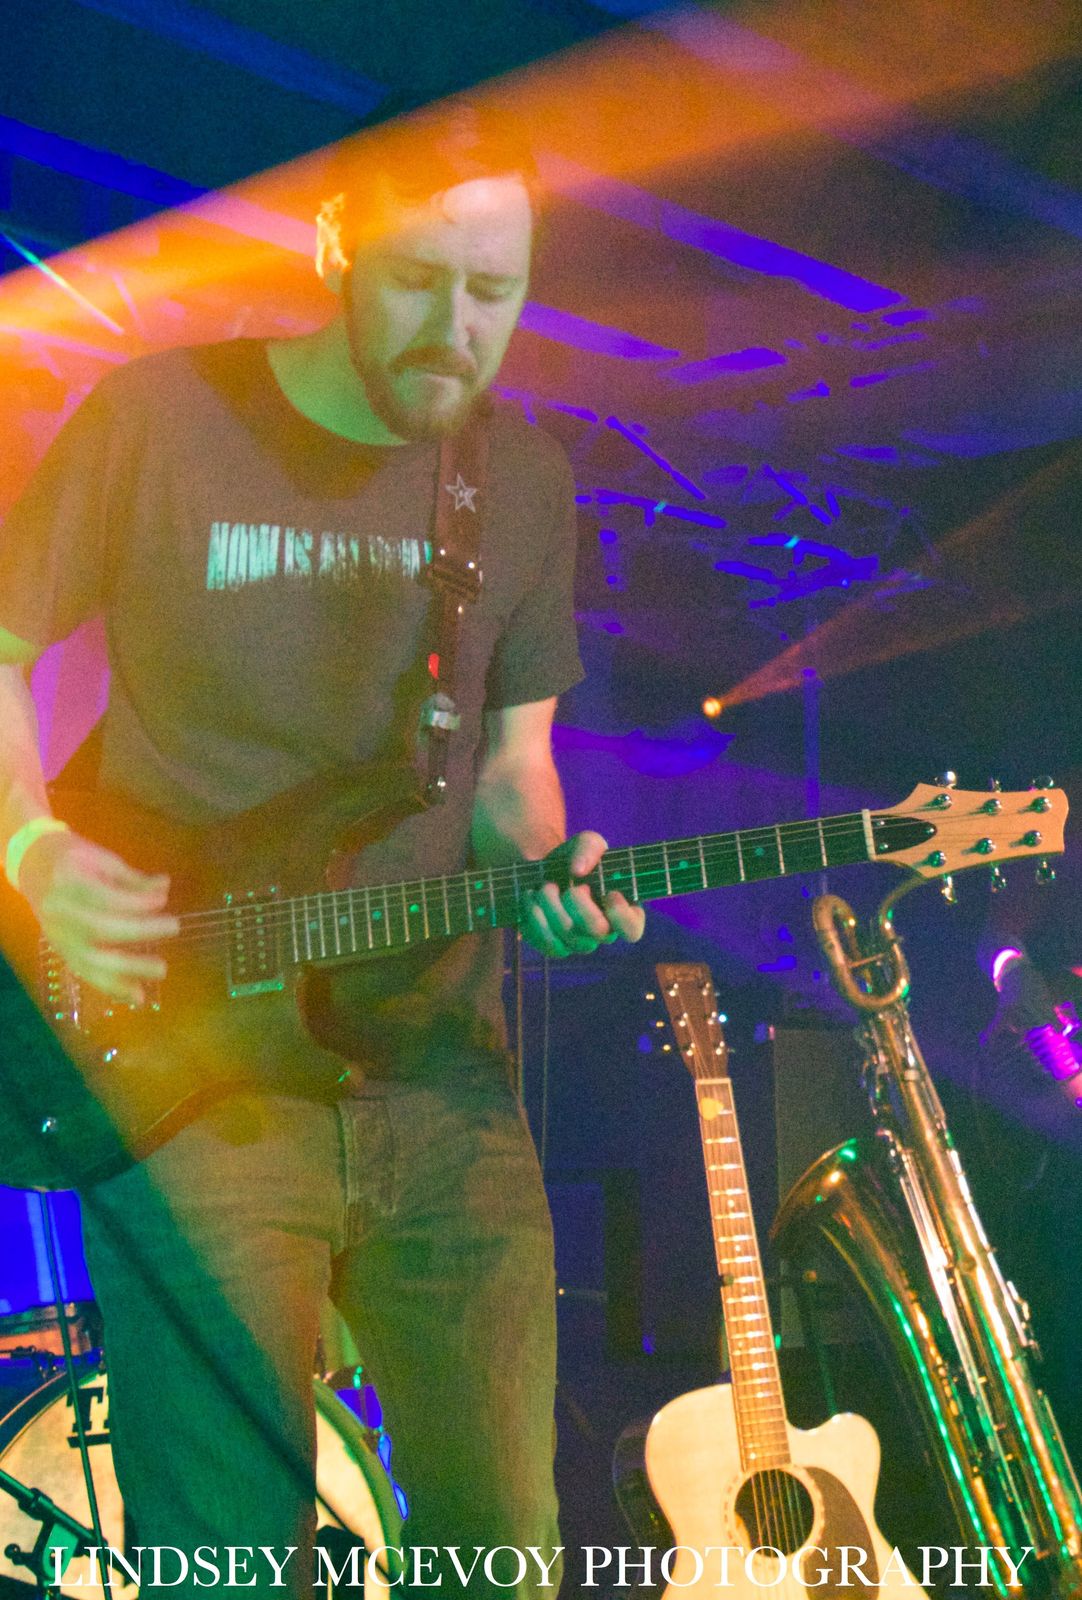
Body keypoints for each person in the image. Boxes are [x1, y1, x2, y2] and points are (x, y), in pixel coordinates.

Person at [0, 102, 644, 1597]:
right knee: (230, 1559)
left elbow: (512, 773)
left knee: (504, 1556)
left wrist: (551, 878)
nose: (457, 330)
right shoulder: (158, 422)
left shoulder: (521, 484)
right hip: (195, 1083)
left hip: (442, 1074)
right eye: (421, 280)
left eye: (494, 292)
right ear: (337, 245)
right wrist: (31, 848)